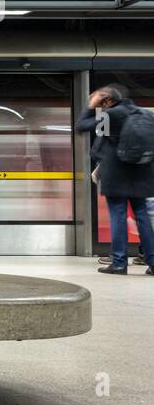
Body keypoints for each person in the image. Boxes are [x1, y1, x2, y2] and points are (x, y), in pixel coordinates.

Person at [75, 84, 154, 275]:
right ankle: (152, 262)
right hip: (141, 172)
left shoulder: (111, 114)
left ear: (107, 100)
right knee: (142, 217)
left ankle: (119, 263)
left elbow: (81, 126)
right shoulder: (144, 114)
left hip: (116, 173)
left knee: (117, 216)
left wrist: (90, 106)